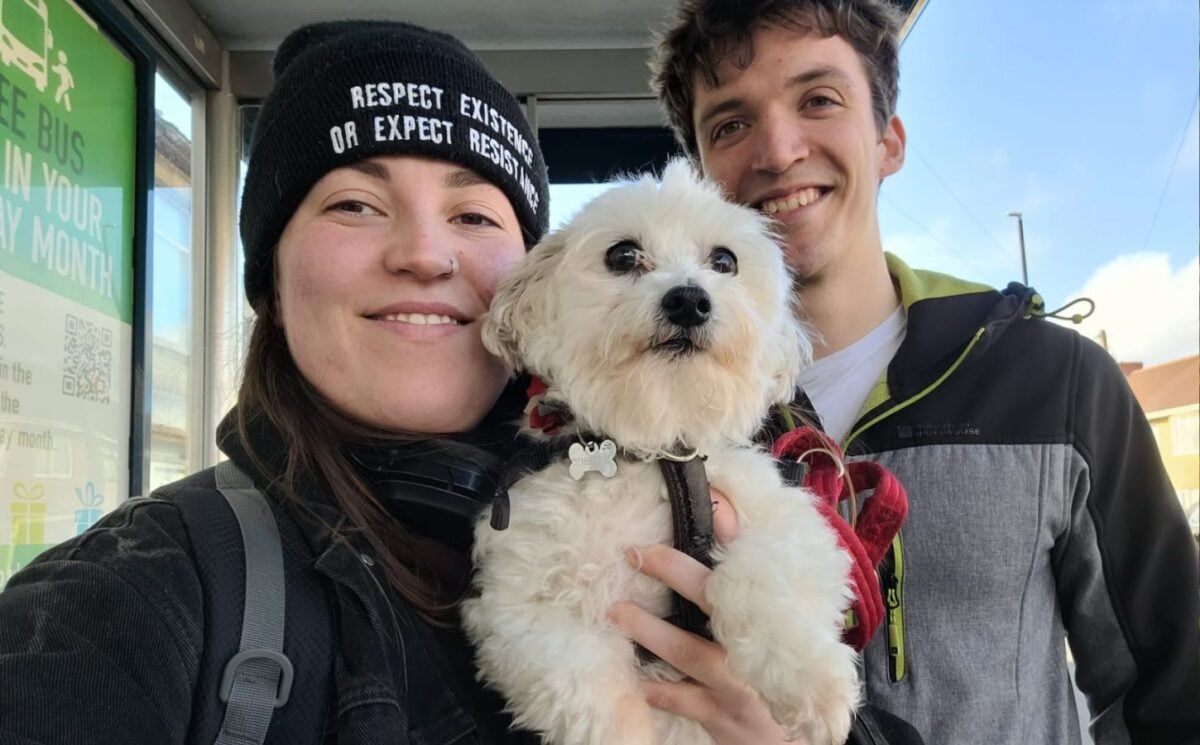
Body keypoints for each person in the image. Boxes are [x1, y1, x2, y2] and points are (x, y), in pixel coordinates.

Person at [0, 18, 853, 745]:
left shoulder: (705, 486)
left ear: (525, 283)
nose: (423, 253)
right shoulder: (131, 594)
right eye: (355, 204)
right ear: (272, 277)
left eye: (474, 215)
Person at [650, 1, 1200, 744]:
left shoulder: (1057, 382)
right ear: (702, 176)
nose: (777, 150)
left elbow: (1173, 691)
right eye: (731, 124)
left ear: (890, 141)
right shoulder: (663, 418)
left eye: (819, 100)